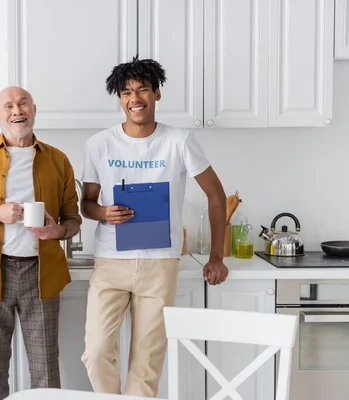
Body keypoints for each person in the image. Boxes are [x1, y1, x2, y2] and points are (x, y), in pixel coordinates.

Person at [80, 56, 229, 397]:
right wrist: (104, 214)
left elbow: (217, 196)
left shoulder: (179, 140)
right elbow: (86, 204)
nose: (135, 98)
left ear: (157, 94)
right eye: (126, 92)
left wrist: (217, 256)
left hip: (160, 264)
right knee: (97, 351)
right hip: (110, 263)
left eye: (143, 89)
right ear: (119, 99)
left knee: (146, 365)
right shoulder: (98, 145)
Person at [0, 86, 82, 400]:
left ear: (34, 110)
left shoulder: (58, 160)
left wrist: (57, 232)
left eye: (23, 104)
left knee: (46, 370)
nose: (16, 111)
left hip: (42, 276)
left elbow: (73, 220)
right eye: (8, 106)